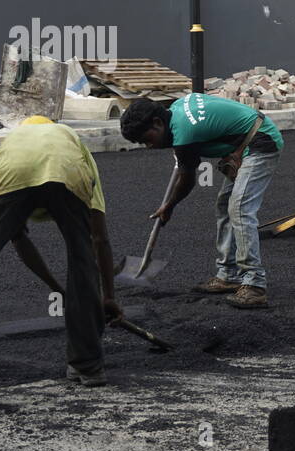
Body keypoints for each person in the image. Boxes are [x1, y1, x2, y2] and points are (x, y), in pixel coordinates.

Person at [0, 116, 122, 412]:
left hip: (13, 173)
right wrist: (107, 297)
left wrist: (55, 288)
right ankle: (89, 367)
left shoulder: (11, 146)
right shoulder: (73, 144)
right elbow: (99, 240)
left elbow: (19, 241)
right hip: (68, 172)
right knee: (82, 259)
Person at [119, 93, 283, 309]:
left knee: (240, 209)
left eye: (147, 139)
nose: (148, 146)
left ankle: (255, 284)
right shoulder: (176, 110)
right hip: (245, 141)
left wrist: (169, 206)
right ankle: (229, 274)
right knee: (225, 206)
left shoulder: (185, 132)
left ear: (158, 123)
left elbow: (187, 181)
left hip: (261, 141)